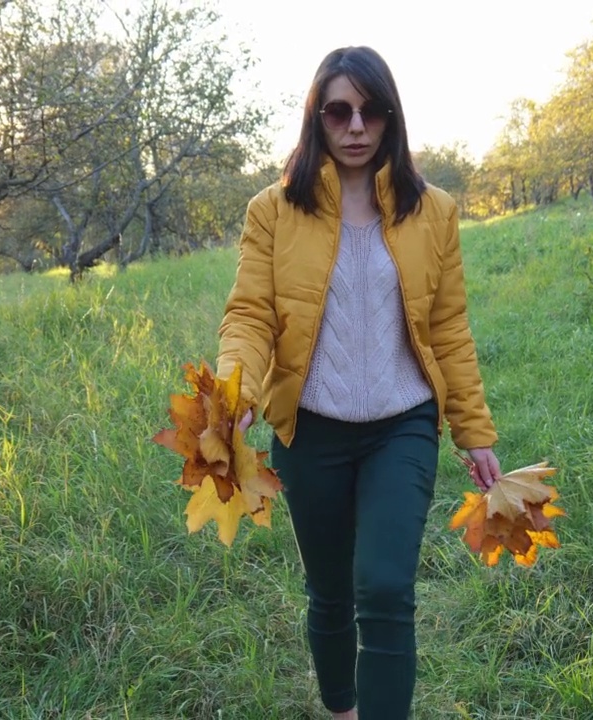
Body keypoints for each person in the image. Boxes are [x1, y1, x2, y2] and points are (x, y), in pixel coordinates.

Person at [214, 46, 502, 720]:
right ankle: (341, 708)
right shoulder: (273, 211)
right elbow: (250, 314)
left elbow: (450, 327)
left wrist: (474, 430)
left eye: (371, 111)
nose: (355, 126)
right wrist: (235, 394)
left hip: (400, 427)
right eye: (339, 110)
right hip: (309, 429)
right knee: (331, 592)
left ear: (390, 118)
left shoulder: (434, 212)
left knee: (385, 587)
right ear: (318, 117)